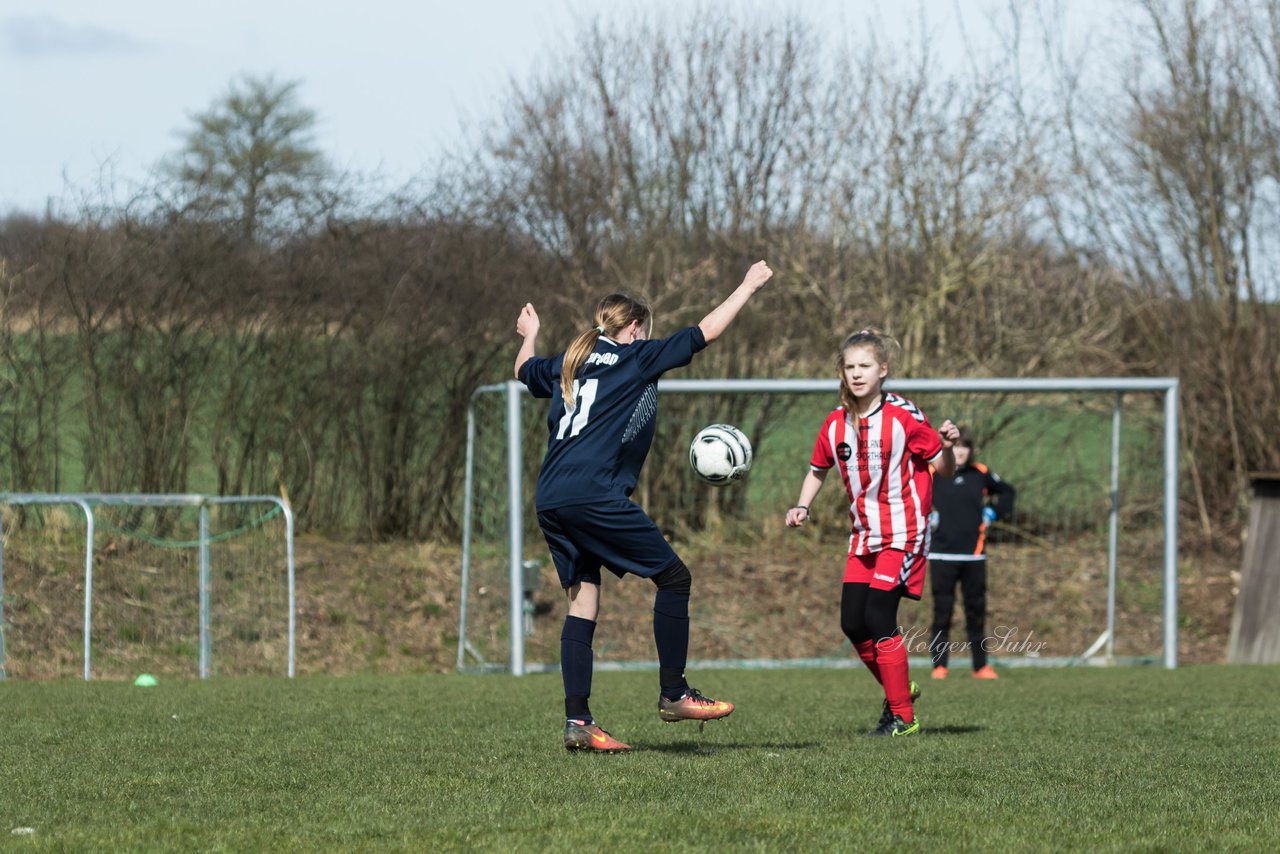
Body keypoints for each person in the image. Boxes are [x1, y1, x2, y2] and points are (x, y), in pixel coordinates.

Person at [514, 260, 774, 753]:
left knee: (583, 600)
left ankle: (579, 723)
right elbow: (706, 332)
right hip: (593, 494)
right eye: (645, 330)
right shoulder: (636, 357)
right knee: (675, 579)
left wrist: (531, 332)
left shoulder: (569, 363)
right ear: (634, 328)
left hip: (551, 495)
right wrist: (747, 285)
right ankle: (674, 693)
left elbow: (524, 369)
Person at [785, 328, 958, 738]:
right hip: (864, 534)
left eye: (865, 366)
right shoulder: (835, 423)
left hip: (904, 531)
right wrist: (802, 505)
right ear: (841, 373)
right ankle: (900, 691)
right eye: (850, 367)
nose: (857, 374)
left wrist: (947, 446)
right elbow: (818, 469)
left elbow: (945, 470)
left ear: (883, 370)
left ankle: (904, 717)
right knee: (852, 622)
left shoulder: (905, 416)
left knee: (879, 615)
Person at [927, 426, 1017, 680]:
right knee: (942, 611)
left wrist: (993, 513)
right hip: (941, 555)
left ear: (970, 450)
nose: (961, 451)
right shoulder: (934, 472)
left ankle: (980, 666)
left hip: (974, 555)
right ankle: (939, 665)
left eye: (965, 447)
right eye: (956, 446)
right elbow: (910, 496)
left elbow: (1009, 492)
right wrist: (926, 515)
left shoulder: (981, 474)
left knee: (975, 612)